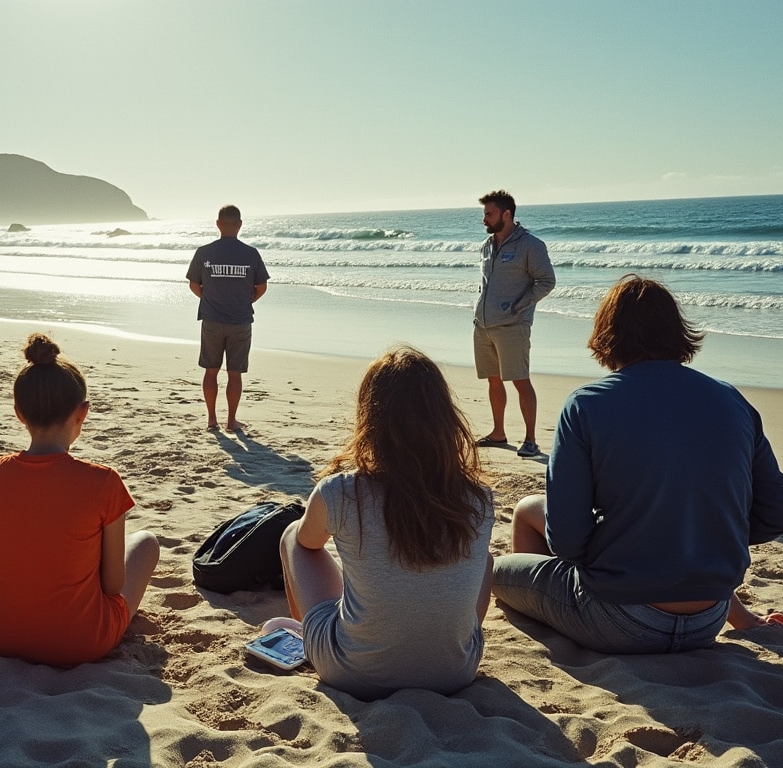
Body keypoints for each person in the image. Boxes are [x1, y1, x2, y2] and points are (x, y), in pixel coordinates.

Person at [491, 275, 783, 654]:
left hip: (618, 620)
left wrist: (627, 547)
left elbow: (568, 541)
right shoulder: (730, 400)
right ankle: (735, 612)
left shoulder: (587, 404)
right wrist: (697, 535)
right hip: (707, 617)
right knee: (529, 508)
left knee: (497, 572)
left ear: (607, 335)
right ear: (676, 333)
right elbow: (777, 517)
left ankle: (553, 628)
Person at [274, 345, 494, 700]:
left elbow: (310, 544)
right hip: (455, 672)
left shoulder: (342, 491)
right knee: (484, 559)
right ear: (444, 418)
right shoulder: (478, 498)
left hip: (351, 673)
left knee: (293, 537)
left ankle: (307, 637)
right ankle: (443, 646)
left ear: (370, 418)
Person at [0, 334, 159, 667]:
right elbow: (113, 586)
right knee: (146, 543)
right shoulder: (103, 481)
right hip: (82, 642)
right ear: (82, 413)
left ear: (18, 413)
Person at [472, 190, 556, 458]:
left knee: (520, 380)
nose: (484, 219)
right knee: (493, 381)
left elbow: (546, 281)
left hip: (513, 327)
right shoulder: (487, 245)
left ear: (506, 215)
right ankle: (499, 433)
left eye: (489, 214)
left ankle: (530, 440)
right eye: (484, 214)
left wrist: (519, 307)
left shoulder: (530, 245)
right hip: (483, 325)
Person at [186, 204, 269, 432]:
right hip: (240, 321)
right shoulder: (250, 254)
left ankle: (212, 419)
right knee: (235, 374)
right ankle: (231, 421)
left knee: (210, 370)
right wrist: (245, 301)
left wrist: (210, 298)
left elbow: (194, 284)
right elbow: (261, 287)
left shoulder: (204, 252)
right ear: (239, 224)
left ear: (218, 224)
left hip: (212, 320)